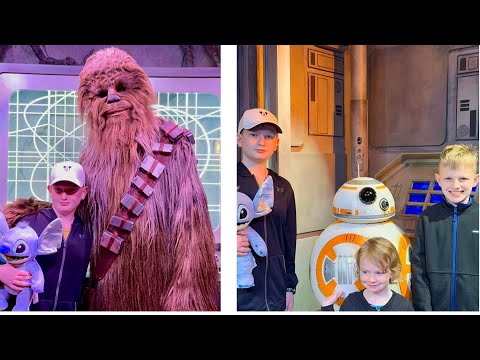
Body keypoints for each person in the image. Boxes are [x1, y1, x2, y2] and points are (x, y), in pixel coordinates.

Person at [77, 47, 219, 311]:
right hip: (110, 292)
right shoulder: (89, 160)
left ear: (140, 92)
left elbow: (191, 231)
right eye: (100, 93)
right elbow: (76, 219)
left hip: (161, 291)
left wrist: (186, 296)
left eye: (121, 87)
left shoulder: (172, 146)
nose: (111, 98)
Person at [0, 160, 93, 311]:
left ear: (83, 192)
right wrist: (1, 271)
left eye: (71, 190)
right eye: (58, 189)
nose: (64, 196)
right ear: (49, 189)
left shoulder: (88, 232)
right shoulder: (28, 223)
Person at [237, 107, 298, 311]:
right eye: (253, 134)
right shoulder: (226, 181)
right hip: (239, 290)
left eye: (268, 136)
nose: (261, 142)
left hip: (276, 289)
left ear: (277, 143)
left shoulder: (283, 187)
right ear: (239, 139)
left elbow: (289, 241)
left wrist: (290, 286)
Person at [411, 144, 479, 311]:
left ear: (475, 180)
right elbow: (418, 269)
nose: (455, 185)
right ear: (438, 179)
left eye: (463, 179)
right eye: (448, 178)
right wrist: (424, 309)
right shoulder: (427, 218)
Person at [321, 237, 414, 311]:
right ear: (358, 269)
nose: (371, 279)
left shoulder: (403, 307)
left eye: (379, 273)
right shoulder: (351, 302)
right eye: (365, 272)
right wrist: (327, 308)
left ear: (392, 273)